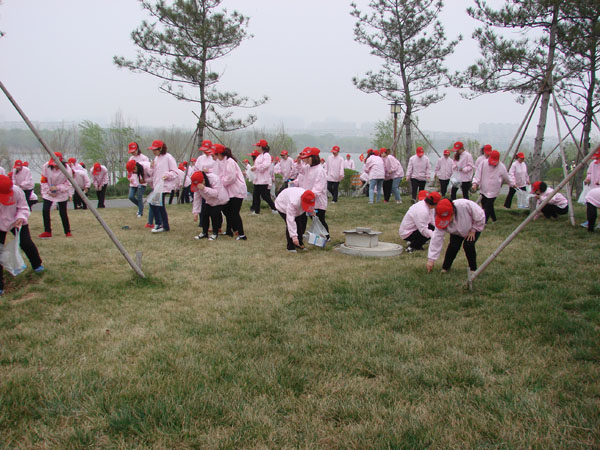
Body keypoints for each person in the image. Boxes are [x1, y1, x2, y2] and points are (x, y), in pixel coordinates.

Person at [0, 175, 44, 295]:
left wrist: (21, 217)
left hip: (16, 220)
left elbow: (23, 207)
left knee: (26, 243)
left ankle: (37, 265)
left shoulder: (17, 191)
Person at [426, 198, 486, 273]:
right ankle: (445, 268)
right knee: (453, 246)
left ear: (453, 211)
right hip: (455, 231)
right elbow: (437, 238)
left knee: (468, 245)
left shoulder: (464, 205)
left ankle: (473, 269)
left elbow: (480, 216)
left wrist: (474, 229)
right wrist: (431, 260)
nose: (447, 220)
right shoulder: (438, 215)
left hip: (472, 227)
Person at [297, 147, 330, 240]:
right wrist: (299, 162)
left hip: (317, 200)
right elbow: (300, 171)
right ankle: (301, 234)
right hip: (308, 198)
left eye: (307, 158)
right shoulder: (308, 168)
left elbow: (318, 188)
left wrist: (310, 196)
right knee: (306, 217)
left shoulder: (320, 170)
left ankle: (326, 236)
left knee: (319, 219)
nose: (306, 160)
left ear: (312, 158)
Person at [215, 145, 247, 240]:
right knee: (227, 211)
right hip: (230, 191)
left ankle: (241, 234)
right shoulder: (223, 162)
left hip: (237, 190)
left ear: (219, 154)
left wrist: (221, 183)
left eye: (215, 155)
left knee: (234, 213)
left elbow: (231, 177)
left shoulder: (230, 162)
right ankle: (229, 230)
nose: (215, 157)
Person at [147, 140, 178, 233]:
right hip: (157, 185)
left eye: (155, 150)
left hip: (165, 185)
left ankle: (159, 223)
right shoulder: (156, 158)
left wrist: (167, 175)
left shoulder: (168, 157)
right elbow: (152, 173)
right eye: (153, 150)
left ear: (160, 149)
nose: (153, 152)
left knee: (155, 203)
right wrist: (151, 167)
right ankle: (164, 225)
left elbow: (175, 172)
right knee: (158, 205)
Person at [39, 152, 72, 238]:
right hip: (49, 192)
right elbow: (43, 180)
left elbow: (68, 184)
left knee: (63, 212)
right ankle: (47, 231)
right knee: (45, 210)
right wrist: (48, 191)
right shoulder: (45, 166)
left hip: (61, 193)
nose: (55, 166)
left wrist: (57, 188)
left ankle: (67, 231)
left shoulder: (67, 169)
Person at [472, 150, 510, 224]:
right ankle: (494, 219)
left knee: (487, 206)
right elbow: (478, 174)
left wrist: (512, 184)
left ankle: (483, 222)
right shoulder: (483, 163)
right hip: (484, 189)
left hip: (494, 190)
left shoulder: (501, 167)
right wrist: (475, 183)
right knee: (485, 204)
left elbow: (507, 177)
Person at [275, 187, 316, 252]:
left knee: (300, 224)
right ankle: (290, 247)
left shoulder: (310, 196)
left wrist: (311, 211)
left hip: (296, 206)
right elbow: (290, 221)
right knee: (292, 225)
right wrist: (294, 237)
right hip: (282, 205)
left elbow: (310, 205)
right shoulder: (293, 203)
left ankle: (299, 243)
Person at [250, 139, 277, 214]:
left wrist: (256, 167)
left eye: (258, 146)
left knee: (265, 196)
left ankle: (274, 208)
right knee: (256, 196)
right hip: (257, 180)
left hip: (263, 180)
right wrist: (253, 168)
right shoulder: (259, 156)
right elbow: (256, 165)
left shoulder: (266, 155)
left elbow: (265, 165)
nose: (256, 148)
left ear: (261, 147)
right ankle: (256, 211)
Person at [127, 142, 150, 217]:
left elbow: (147, 170)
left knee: (139, 197)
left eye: (134, 151)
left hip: (141, 181)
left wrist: (144, 179)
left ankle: (140, 212)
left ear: (137, 149)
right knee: (131, 196)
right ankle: (140, 206)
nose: (133, 153)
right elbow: (129, 170)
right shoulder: (131, 158)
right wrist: (130, 178)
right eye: (131, 152)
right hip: (133, 181)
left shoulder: (144, 158)